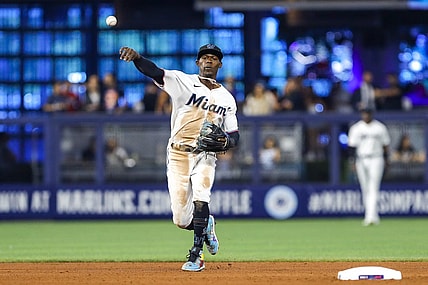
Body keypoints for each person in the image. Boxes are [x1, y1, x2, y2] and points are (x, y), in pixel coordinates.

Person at [119, 43, 240, 271]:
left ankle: (196, 255)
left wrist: (227, 142)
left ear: (219, 64)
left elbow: (234, 135)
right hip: (178, 153)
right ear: (198, 63)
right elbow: (155, 71)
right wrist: (137, 58)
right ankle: (206, 225)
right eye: (204, 57)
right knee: (181, 219)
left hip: (206, 154)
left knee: (202, 197)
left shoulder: (227, 98)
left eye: (213, 58)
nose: (208, 60)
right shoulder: (183, 81)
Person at [347, 108, 391, 226]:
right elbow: (352, 148)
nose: (366, 115)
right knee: (365, 188)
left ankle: (370, 216)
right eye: (364, 113)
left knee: (373, 187)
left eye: (368, 113)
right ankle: (371, 215)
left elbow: (386, 145)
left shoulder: (379, 127)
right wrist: (352, 162)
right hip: (361, 159)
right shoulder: (356, 128)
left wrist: (387, 160)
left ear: (371, 114)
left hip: (376, 158)